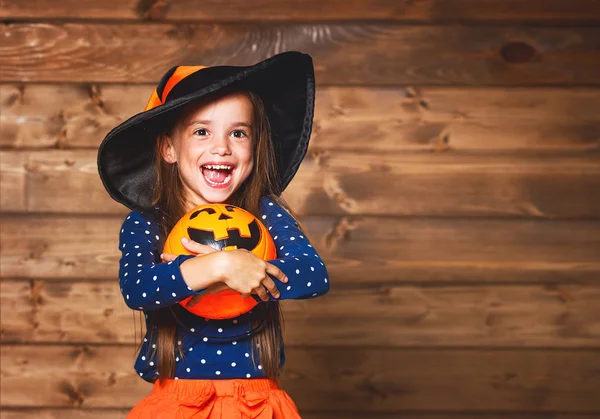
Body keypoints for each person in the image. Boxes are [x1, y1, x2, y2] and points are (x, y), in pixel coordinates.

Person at [97, 51, 330, 418]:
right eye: (202, 131)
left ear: (254, 148)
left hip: (258, 404)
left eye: (238, 132)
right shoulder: (147, 223)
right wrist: (218, 267)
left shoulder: (267, 214)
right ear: (169, 148)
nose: (221, 147)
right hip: (177, 403)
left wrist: (247, 268)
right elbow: (138, 288)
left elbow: (314, 276)